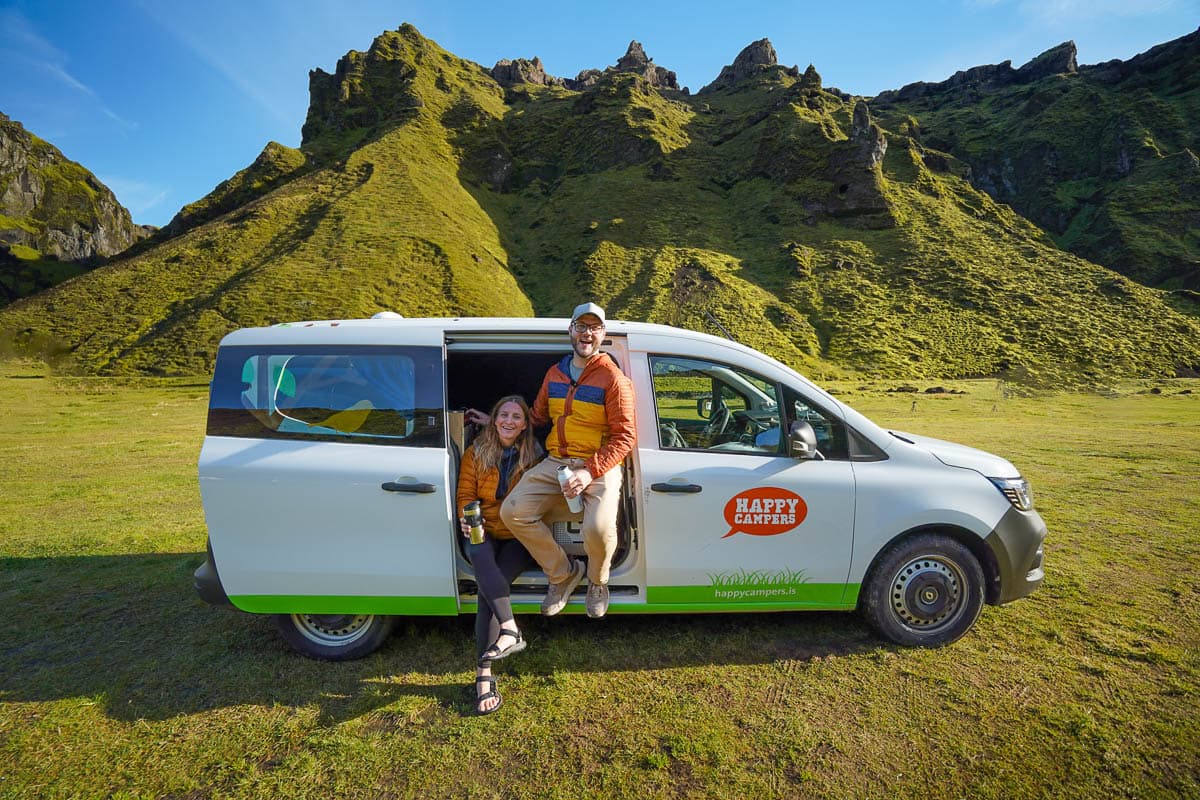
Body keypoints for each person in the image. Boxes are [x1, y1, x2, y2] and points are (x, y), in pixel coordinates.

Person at [499, 302, 637, 619]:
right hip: (557, 462)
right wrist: (498, 419)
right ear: (571, 331)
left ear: (603, 334)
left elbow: (625, 437)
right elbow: (537, 415)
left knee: (599, 528)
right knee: (513, 511)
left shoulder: (613, 379)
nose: (587, 333)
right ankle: (563, 575)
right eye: (581, 326)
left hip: (598, 465)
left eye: (594, 327)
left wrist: (589, 472)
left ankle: (597, 583)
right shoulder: (555, 373)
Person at [456, 394, 542, 715]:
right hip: (485, 530)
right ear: (494, 419)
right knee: (480, 555)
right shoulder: (476, 452)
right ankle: (508, 630)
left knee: (488, 591)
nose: (508, 420)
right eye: (503, 414)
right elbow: (465, 494)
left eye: (516, 417)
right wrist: (467, 518)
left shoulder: (534, 455)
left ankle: (484, 674)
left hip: (519, 534)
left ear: (524, 425)